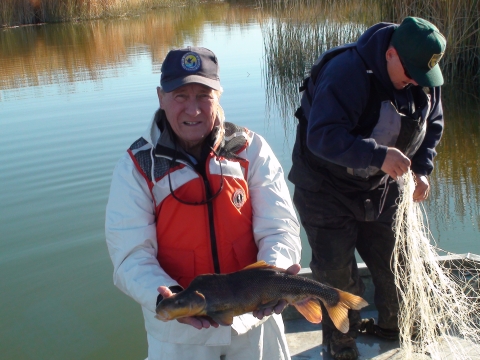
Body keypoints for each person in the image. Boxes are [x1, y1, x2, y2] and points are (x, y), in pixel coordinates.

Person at [105, 46, 302, 360]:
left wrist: (275, 272)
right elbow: (130, 255)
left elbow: (279, 227)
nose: (193, 110)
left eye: (204, 96)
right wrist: (165, 300)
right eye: (181, 96)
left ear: (219, 96)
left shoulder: (251, 150)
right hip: (178, 338)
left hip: (256, 325)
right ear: (160, 97)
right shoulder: (137, 166)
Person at [288, 17, 446, 360]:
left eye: (423, 78)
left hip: (383, 187)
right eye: (410, 75)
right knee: (337, 275)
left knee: (397, 264)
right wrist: (378, 155)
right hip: (325, 190)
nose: (415, 84)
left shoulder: (422, 76)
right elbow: (322, 136)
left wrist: (421, 169)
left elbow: (433, 123)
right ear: (390, 54)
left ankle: (394, 326)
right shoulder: (347, 73)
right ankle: (342, 345)